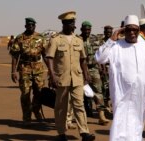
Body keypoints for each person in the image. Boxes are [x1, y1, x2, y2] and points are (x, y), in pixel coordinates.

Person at [95, 15, 145, 141]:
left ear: (139, 31)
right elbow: (99, 58)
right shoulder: (115, 47)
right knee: (120, 122)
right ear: (123, 30)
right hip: (121, 94)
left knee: (138, 122)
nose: (132, 33)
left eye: (135, 29)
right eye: (128, 30)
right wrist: (112, 38)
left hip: (141, 94)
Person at [45, 11, 95, 141]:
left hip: (77, 78)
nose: (72, 25)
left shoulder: (78, 40)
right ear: (63, 23)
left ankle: (84, 133)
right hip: (61, 78)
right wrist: (52, 75)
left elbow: (83, 59)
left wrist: (86, 73)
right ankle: (61, 133)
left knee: (79, 105)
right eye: (69, 22)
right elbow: (49, 58)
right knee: (61, 106)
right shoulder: (56, 39)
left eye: (73, 22)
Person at [9, 17, 45, 124]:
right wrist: (13, 71)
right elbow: (15, 56)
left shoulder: (40, 37)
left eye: (33, 25)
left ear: (35, 26)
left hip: (38, 68)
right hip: (24, 68)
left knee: (39, 92)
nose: (31, 27)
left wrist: (52, 72)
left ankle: (36, 110)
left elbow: (46, 55)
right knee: (25, 93)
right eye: (29, 25)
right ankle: (26, 117)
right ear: (25, 26)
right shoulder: (20, 38)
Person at [80, 21, 110, 125]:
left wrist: (102, 68)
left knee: (98, 91)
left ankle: (101, 115)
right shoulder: (77, 40)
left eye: (89, 29)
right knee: (77, 92)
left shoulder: (95, 40)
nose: (87, 31)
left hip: (94, 69)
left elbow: (100, 55)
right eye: (85, 29)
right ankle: (70, 118)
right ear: (81, 29)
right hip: (79, 70)